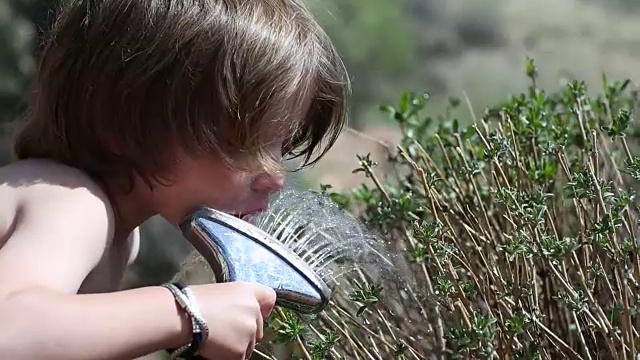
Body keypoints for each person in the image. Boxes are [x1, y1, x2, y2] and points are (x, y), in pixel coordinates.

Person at [0, 0, 349, 358]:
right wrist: (186, 311)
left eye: (284, 144)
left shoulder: (119, 233)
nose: (274, 177)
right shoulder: (74, 205)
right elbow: (9, 330)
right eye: (247, 141)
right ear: (131, 123)